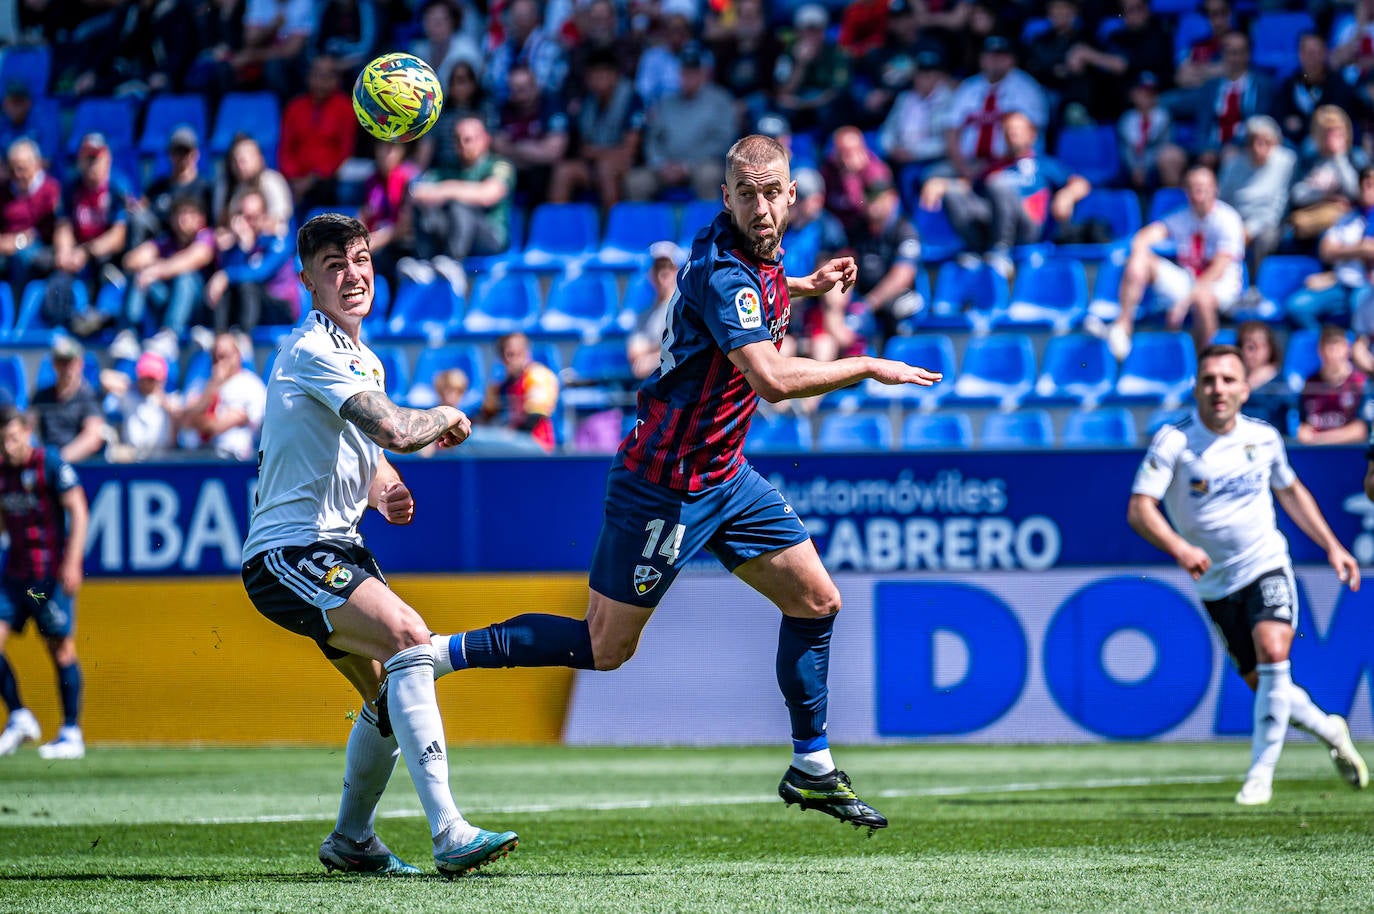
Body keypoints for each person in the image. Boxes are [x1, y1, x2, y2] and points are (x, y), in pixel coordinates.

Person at [420, 134, 942, 833]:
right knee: (605, 647)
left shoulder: (747, 256)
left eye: (772, 193)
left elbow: (758, 296)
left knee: (817, 600)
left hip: (725, 477)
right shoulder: (726, 272)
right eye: (747, 195)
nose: (761, 207)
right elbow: (772, 379)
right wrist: (867, 365)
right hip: (664, 486)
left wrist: (808, 285)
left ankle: (811, 766)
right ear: (727, 198)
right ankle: (440, 654)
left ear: (792, 195)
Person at [240, 212, 518, 877]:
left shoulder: (362, 360)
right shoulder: (311, 348)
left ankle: (352, 840)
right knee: (410, 637)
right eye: (333, 266)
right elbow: (393, 428)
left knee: (386, 702)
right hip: (290, 553)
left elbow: (372, 453)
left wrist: (385, 489)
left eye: (360, 260)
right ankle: (449, 831)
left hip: (335, 549)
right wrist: (445, 415)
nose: (352, 275)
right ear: (307, 281)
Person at [1129, 344, 1369, 805]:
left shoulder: (1263, 438)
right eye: (1209, 380)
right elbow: (1140, 509)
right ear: (1196, 388)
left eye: (1228, 380)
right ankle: (1329, 729)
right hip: (1216, 582)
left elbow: (1291, 491)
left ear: (1244, 389)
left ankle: (1260, 776)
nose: (1218, 389)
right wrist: (1180, 547)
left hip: (1265, 563)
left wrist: (1333, 546)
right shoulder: (1174, 442)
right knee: (1268, 687)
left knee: (1274, 649)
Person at [0, 405, 90, 759]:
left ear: (27, 432)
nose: (8, 446)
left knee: (60, 648)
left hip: (46, 578)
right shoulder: (2, 471)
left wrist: (72, 561)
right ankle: (19, 715)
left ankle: (71, 731)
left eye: (13, 438)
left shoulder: (49, 463)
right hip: (14, 576)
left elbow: (78, 509)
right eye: (2, 441)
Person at [1103, 166, 1244, 361]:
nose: (1198, 193)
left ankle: (1208, 361)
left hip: (1220, 285)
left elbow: (1219, 268)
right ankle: (1122, 326)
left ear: (1215, 189)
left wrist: (1184, 303)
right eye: (1193, 188)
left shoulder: (1228, 219)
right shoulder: (1181, 217)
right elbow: (1145, 237)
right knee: (1140, 258)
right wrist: (1139, 248)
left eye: (1203, 187)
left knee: (1202, 299)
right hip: (1188, 279)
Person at [1217, 115, 1296, 281]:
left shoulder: (1286, 162)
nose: (1259, 148)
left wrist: (1251, 229)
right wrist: (1234, 225)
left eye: (1266, 142)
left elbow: (1278, 207)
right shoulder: (1233, 164)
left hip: (1268, 223)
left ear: (1276, 143)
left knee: (1266, 238)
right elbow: (1222, 200)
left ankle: (1256, 284)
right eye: (1254, 141)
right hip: (1236, 219)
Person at [179, 331, 267, 461]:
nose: (219, 362)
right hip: (199, 458)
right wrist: (213, 386)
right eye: (215, 358)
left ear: (237, 355)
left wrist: (199, 419)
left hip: (235, 459)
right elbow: (185, 420)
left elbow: (256, 422)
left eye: (224, 356)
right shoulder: (201, 383)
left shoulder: (251, 384)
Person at [477, 331, 560, 454]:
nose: (511, 359)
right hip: (509, 443)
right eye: (507, 354)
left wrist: (507, 434)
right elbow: (485, 416)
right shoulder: (499, 386)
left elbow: (534, 418)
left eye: (517, 353)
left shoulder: (538, 376)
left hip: (536, 444)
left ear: (527, 353)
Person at [30, 336, 107, 464]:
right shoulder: (41, 396)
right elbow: (27, 427)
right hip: (47, 460)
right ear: (54, 364)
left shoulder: (89, 397)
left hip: (78, 464)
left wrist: (59, 461)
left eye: (70, 362)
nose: (66, 368)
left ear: (80, 364)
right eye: (61, 362)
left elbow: (92, 437)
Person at [1297, 325, 1369, 446]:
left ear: (1347, 348)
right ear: (1320, 350)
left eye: (1337, 347)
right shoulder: (1310, 383)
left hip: (1351, 452)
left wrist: (1321, 439)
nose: (1332, 354)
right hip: (1316, 453)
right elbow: (1303, 428)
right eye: (1328, 348)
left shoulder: (1359, 382)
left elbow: (1361, 429)